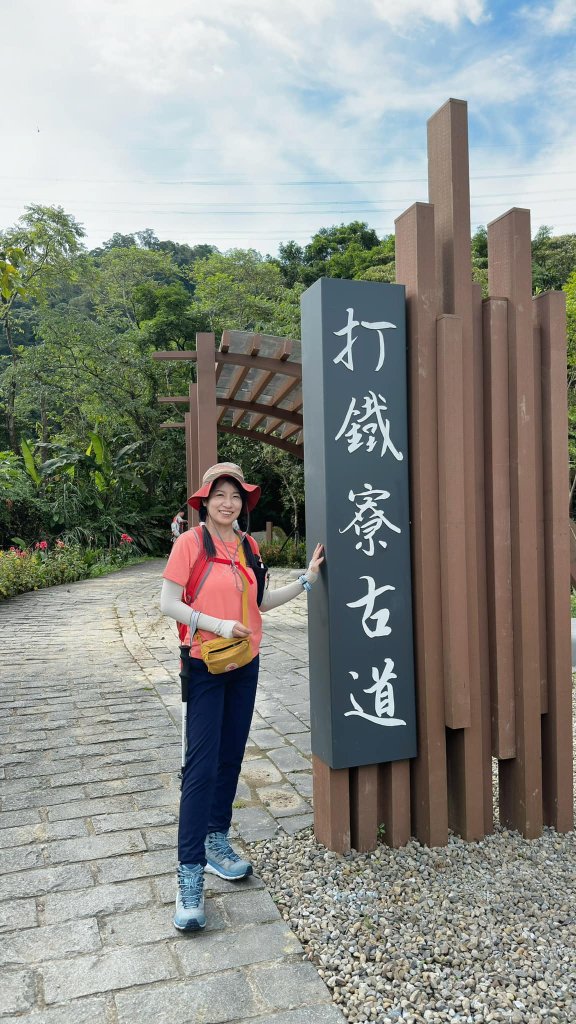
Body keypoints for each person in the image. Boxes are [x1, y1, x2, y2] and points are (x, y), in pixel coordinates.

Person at [160, 461, 324, 932]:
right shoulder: (190, 544)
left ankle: (216, 840)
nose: (228, 503)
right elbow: (168, 603)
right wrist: (215, 625)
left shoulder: (248, 546)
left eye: (235, 496)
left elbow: (260, 603)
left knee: (231, 757)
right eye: (220, 495)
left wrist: (307, 579)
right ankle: (188, 875)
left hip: (244, 664)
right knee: (200, 766)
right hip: (205, 665)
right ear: (204, 502)